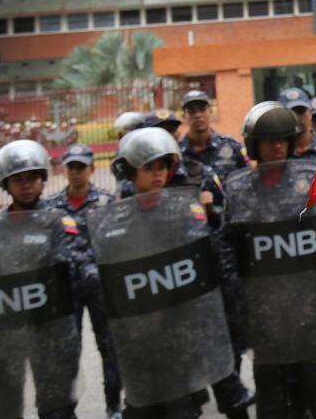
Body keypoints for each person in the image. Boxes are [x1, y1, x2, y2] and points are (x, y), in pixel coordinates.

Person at [95, 128, 239, 419]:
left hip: (179, 332)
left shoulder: (183, 212)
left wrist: (210, 216)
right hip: (139, 335)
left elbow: (210, 253)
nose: (158, 174)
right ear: (130, 172)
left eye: (162, 166)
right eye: (149, 168)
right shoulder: (114, 220)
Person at [223, 101, 316, 419]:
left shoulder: (313, 180)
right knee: (273, 400)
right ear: (254, 146)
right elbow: (230, 255)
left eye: (282, 138)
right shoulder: (239, 192)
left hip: (313, 311)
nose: (277, 145)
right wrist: (240, 310)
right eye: (268, 140)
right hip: (267, 317)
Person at [0, 139, 95, 419]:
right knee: (3, 409)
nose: (26, 185)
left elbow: (72, 266)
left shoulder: (57, 221)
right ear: (4, 183)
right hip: (3, 333)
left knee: (56, 408)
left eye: (33, 177)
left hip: (51, 331)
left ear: (43, 179)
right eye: (18, 179)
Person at [44, 144, 124, 415]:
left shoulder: (106, 202)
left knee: (110, 347)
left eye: (81, 167)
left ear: (91, 169)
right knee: (67, 351)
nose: (76, 172)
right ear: (65, 170)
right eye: (72, 167)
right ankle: (67, 407)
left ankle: (113, 403)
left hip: (101, 288)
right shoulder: (51, 207)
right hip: (67, 290)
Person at [179, 90, 248, 184]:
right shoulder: (177, 153)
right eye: (192, 111)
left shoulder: (232, 146)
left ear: (210, 111)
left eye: (202, 109)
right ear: (184, 116)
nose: (198, 115)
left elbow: (248, 180)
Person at [278, 87, 316, 156]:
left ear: (310, 112)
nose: (296, 117)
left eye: (300, 111)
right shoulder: (277, 152)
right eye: (290, 113)